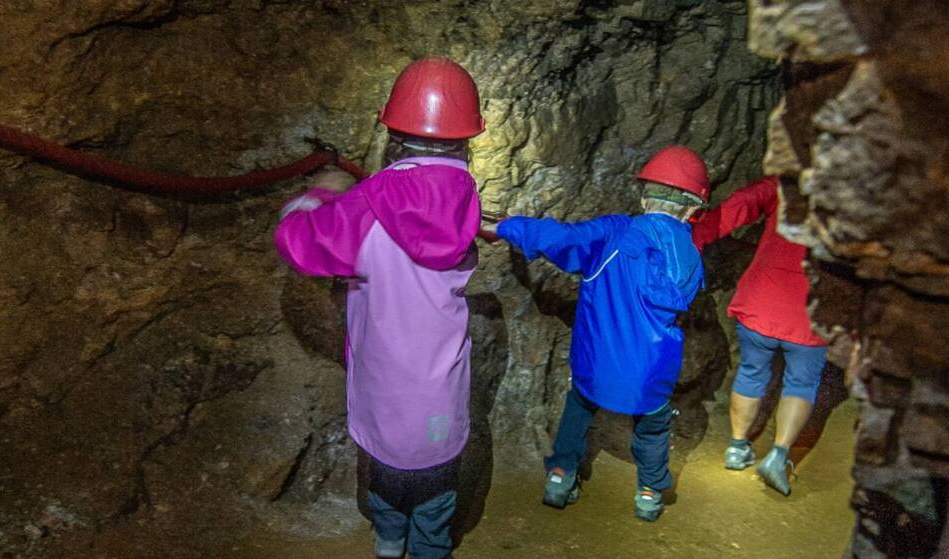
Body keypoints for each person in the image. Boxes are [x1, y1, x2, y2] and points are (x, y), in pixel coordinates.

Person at [274, 56, 485, 559]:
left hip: (385, 382)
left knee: (386, 474)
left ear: (393, 130)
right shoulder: (465, 196)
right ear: (466, 136)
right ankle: (430, 548)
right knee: (437, 486)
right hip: (441, 386)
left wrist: (317, 196)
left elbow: (297, 243)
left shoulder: (366, 205)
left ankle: (389, 543)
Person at [489, 146, 709, 522]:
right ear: (692, 211)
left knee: (579, 406)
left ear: (644, 196)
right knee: (653, 429)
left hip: (598, 363)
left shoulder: (615, 234)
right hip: (651, 372)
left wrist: (508, 227)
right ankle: (649, 492)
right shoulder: (691, 255)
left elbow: (558, 238)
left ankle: (560, 475)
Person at [690, 176, 828, 496]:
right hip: (810, 311)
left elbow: (743, 202)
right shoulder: (852, 197)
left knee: (751, 372)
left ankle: (737, 448)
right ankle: (778, 457)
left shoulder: (787, 184)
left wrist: (697, 234)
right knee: (801, 385)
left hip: (761, 302)